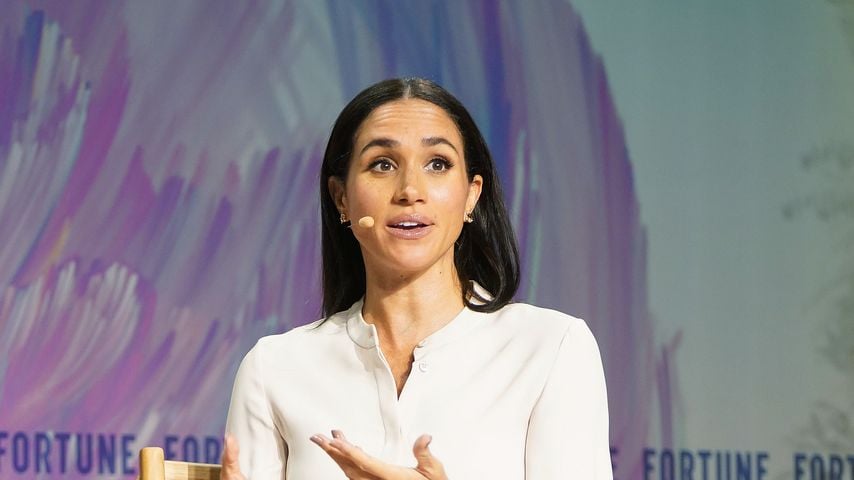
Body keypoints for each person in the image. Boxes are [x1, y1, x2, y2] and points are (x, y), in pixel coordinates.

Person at [221, 77, 612, 479]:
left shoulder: (550, 349)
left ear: (471, 195)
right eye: (382, 164)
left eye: (437, 164)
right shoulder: (274, 368)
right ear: (342, 198)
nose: (410, 190)